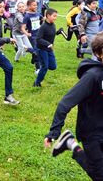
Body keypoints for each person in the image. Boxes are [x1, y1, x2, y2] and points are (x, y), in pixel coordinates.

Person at [44, 32, 103, 181]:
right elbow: (65, 103)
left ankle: (68, 141)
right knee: (99, 174)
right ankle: (69, 143)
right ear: (99, 53)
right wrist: (54, 132)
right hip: (92, 133)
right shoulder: (93, 76)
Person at [33, 8, 58, 87]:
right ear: (48, 16)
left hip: (49, 49)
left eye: (56, 16)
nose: (55, 18)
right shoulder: (43, 27)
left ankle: (38, 61)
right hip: (41, 49)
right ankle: (37, 82)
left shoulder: (53, 25)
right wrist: (48, 44)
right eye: (54, 16)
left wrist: (58, 32)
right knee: (45, 67)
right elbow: (38, 39)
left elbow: (50, 34)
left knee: (53, 66)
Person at [21, 0, 43, 73]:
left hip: (39, 35)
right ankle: (38, 69)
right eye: (34, 5)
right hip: (32, 36)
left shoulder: (37, 13)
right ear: (29, 6)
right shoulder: (27, 16)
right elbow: (23, 28)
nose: (36, 6)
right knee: (37, 52)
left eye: (36, 5)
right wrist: (27, 34)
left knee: (39, 51)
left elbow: (42, 19)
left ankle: (27, 49)